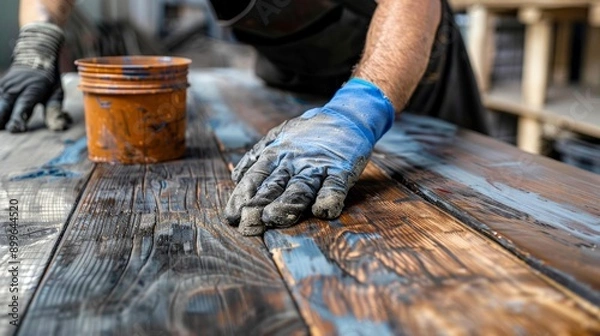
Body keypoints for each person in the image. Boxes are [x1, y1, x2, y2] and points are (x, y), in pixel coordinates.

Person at [0, 0, 488, 235]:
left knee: (461, 214)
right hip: (291, 68)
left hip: (400, 70)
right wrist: (38, 40)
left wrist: (358, 110)